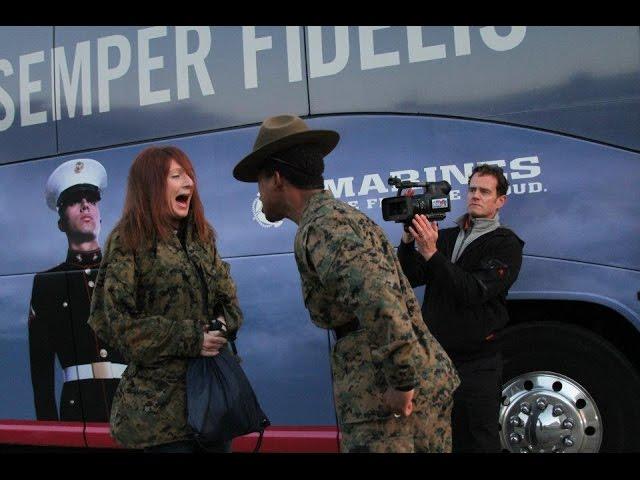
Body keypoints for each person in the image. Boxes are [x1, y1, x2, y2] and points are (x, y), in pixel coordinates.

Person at [233, 114, 460, 453]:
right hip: (399, 389)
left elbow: (380, 300)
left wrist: (402, 381)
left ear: (277, 178)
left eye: (260, 183)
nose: (260, 194)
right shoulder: (337, 218)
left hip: (388, 401)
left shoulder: (323, 228)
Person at [88, 145, 243, 452]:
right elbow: (117, 324)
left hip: (212, 406)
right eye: (176, 176)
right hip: (158, 421)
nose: (189, 183)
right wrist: (191, 338)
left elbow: (231, 304)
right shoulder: (127, 240)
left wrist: (222, 326)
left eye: (189, 176)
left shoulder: (202, 237)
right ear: (151, 185)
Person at [397, 164, 525, 453]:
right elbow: (411, 276)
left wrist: (431, 253)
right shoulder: (447, 237)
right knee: (440, 441)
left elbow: (473, 291)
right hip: (437, 362)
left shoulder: (506, 245)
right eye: (472, 189)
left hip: (478, 364)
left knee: (480, 441)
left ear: (500, 200)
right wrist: (407, 242)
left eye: (484, 191)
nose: (476, 196)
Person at [29, 158, 126, 422]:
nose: (85, 205)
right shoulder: (48, 283)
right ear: (61, 223)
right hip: (79, 411)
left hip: (134, 408)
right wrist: (49, 434)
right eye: (74, 201)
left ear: (100, 215)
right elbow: (41, 373)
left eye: (91, 200)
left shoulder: (125, 272)